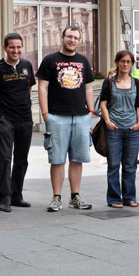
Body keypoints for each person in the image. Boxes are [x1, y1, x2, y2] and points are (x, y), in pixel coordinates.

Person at [36, 25, 95, 212]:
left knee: (77, 159)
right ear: (62, 37)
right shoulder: (50, 60)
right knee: (57, 159)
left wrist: (91, 111)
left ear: (79, 41)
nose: (72, 40)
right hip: (57, 116)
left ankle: (75, 197)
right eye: (69, 36)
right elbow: (42, 88)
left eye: (76, 38)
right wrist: (45, 114)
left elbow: (88, 88)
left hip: (80, 117)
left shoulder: (83, 61)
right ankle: (56, 197)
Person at [0, 33, 36, 212]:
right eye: (12, 47)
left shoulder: (27, 66)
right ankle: (4, 198)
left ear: (22, 48)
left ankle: (17, 196)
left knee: (22, 159)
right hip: (5, 118)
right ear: (5, 48)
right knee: (5, 158)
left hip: (25, 118)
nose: (15, 50)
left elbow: (29, 87)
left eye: (18, 47)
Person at [100, 51, 139, 208]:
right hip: (114, 129)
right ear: (117, 62)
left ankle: (129, 197)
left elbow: (138, 105)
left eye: (129, 61)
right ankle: (114, 198)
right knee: (113, 165)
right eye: (123, 61)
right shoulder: (109, 82)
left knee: (130, 165)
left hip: (132, 129)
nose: (126, 64)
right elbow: (103, 104)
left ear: (132, 64)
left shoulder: (136, 83)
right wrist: (107, 121)